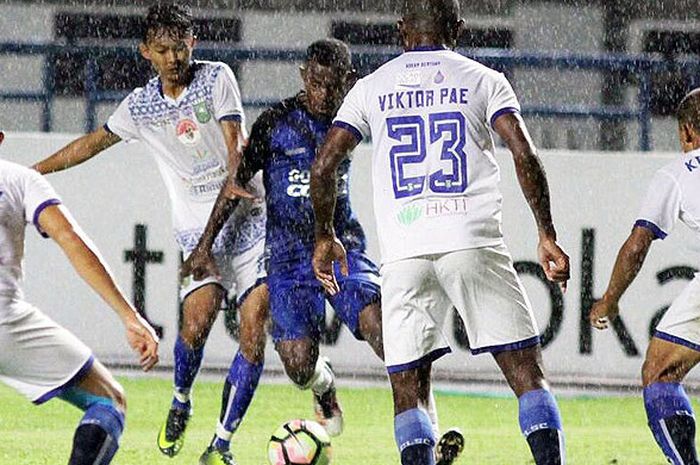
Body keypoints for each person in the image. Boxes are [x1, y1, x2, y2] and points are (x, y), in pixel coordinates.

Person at [310, 2, 571, 465]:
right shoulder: (483, 78)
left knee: (408, 392)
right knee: (527, 377)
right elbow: (522, 151)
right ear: (458, 28)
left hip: (404, 254)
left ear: (399, 30)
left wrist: (325, 234)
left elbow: (325, 163)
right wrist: (545, 231)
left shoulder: (371, 88)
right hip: (471, 240)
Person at [184, 38, 464, 465]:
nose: (322, 94)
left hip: (340, 246)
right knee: (298, 365)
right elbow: (236, 185)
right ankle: (323, 385)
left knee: (385, 332)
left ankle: (432, 439)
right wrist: (205, 246)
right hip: (288, 258)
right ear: (303, 77)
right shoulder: (275, 123)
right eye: (315, 83)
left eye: (331, 85)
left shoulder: (353, 115)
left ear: (347, 82)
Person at [32, 4, 269, 464]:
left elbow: (235, 145)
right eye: (162, 49)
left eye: (180, 47)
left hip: (249, 221)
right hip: (196, 230)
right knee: (196, 326)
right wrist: (32, 173)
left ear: (192, 43)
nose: (173, 57)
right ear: (146, 52)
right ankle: (181, 397)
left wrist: (235, 168)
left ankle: (221, 442)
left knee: (254, 329)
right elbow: (93, 142)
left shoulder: (217, 77)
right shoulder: (141, 106)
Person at [0, 131, 159, 465]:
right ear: (1, 139)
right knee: (109, 400)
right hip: (4, 323)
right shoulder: (19, 179)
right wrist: (129, 316)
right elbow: (70, 238)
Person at [589, 88, 700, 465]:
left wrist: (610, 299)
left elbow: (638, 245)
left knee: (660, 373)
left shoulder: (677, 174)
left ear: (686, 133)